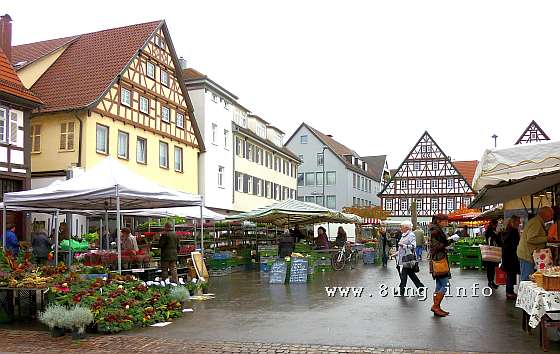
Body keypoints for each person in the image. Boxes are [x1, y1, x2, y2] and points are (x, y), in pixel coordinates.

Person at [430, 214, 459, 317]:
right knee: (445, 285)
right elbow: (436, 246)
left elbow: (438, 245)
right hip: (439, 260)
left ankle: (437, 307)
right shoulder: (435, 231)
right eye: (445, 221)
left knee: (439, 285)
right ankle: (435, 306)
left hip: (439, 258)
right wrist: (450, 241)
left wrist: (447, 245)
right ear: (439, 221)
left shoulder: (437, 229)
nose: (447, 223)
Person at [517, 206, 553, 281]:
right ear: (545, 214)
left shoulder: (537, 221)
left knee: (528, 277)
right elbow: (531, 239)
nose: (552, 216)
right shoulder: (536, 222)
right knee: (527, 279)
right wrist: (547, 238)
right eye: (551, 214)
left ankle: (525, 292)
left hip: (527, 254)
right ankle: (525, 293)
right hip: (527, 255)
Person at [397, 221, 425, 295]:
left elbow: (413, 246)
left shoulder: (411, 235)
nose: (400, 228)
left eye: (402, 227)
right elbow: (401, 248)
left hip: (408, 259)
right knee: (411, 274)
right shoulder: (404, 235)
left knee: (404, 274)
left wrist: (404, 245)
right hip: (404, 258)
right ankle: (420, 287)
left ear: (406, 228)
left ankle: (401, 290)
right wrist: (396, 253)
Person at [502, 215, 521, 300]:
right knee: (511, 274)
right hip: (511, 256)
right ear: (514, 221)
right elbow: (515, 245)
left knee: (510, 274)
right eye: (518, 221)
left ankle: (510, 291)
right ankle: (509, 293)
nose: (520, 223)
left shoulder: (508, 230)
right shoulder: (513, 231)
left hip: (507, 256)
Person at [484, 219, 502, 289]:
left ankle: (491, 281)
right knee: (490, 268)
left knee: (492, 268)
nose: (497, 226)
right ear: (493, 224)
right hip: (492, 252)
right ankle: (490, 282)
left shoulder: (492, 231)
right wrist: (497, 234)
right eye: (496, 224)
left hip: (492, 252)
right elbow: (492, 241)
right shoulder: (490, 232)